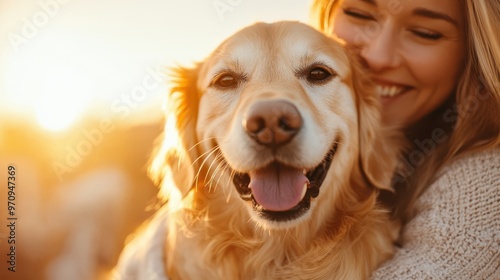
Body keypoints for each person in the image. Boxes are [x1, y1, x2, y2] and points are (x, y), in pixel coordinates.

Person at [311, 0, 499, 278]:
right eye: (359, 15)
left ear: (474, 51)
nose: (378, 56)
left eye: (425, 32)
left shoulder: (484, 185)